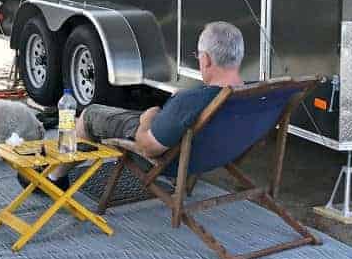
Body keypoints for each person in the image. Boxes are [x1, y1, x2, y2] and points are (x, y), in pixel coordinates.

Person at [75, 20, 245, 160]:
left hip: (170, 156)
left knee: (88, 115)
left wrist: (147, 118)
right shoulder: (255, 92)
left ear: (206, 59)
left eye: (198, 55)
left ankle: (55, 178)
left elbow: (148, 148)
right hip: (214, 155)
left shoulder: (190, 101)